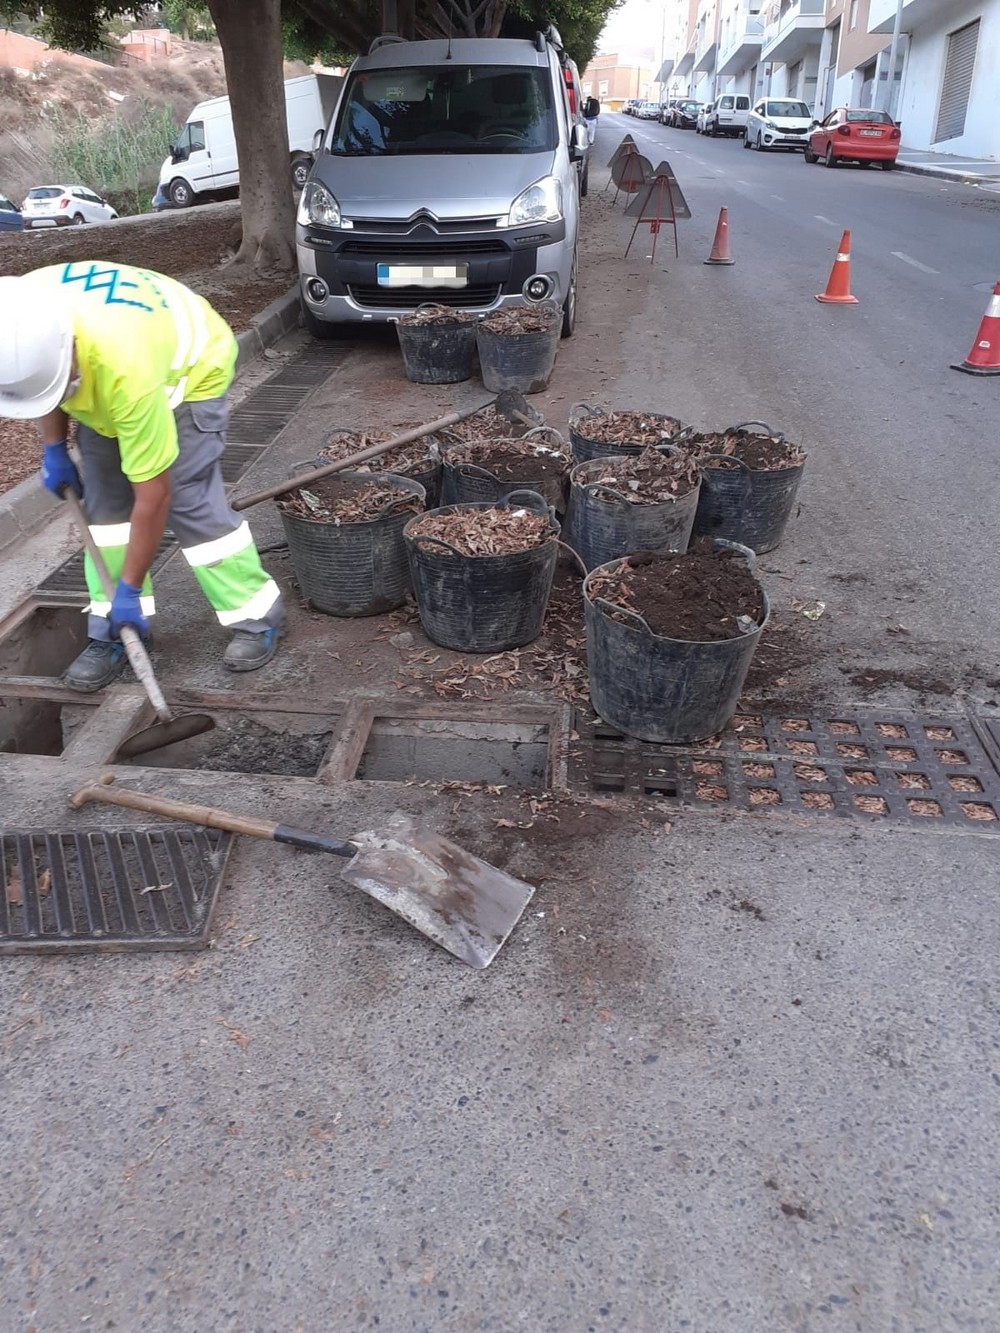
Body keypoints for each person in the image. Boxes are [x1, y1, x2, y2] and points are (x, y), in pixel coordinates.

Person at [0, 261, 284, 691]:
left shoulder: (127, 371)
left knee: (190, 502)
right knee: (106, 512)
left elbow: (154, 497)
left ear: (71, 350)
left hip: (187, 374)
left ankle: (256, 616)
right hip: (109, 365)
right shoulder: (20, 314)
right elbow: (43, 387)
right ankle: (114, 630)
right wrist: (54, 447)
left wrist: (129, 589)